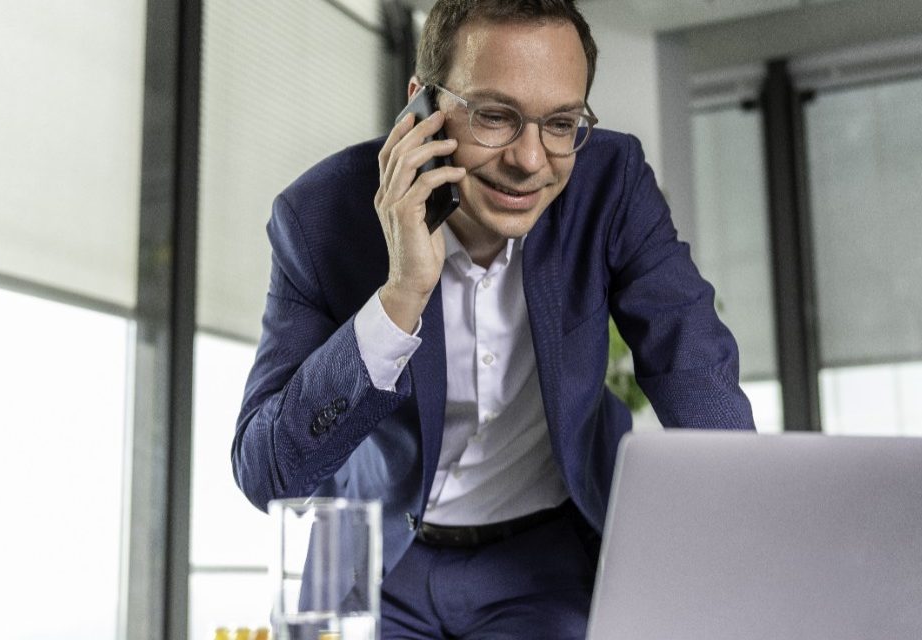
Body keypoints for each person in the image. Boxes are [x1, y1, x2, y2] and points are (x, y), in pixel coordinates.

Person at [233, 0, 755, 636]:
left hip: (542, 560)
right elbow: (267, 474)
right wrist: (400, 296)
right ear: (421, 108)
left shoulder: (610, 183)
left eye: (561, 123)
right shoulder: (319, 217)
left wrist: (746, 525)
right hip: (369, 557)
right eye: (495, 117)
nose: (530, 160)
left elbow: (691, 357)